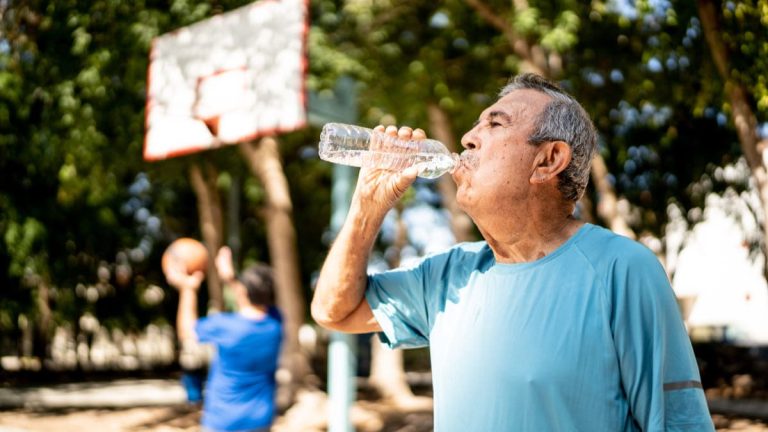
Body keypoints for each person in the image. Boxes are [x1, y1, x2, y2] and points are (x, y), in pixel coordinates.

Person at [311, 73, 714, 431]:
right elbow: (335, 311)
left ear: (548, 160)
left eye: (495, 123)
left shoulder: (622, 270)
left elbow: (680, 422)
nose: (469, 137)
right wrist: (367, 207)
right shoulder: (450, 274)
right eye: (477, 123)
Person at [165, 246, 283, 432]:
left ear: (244, 292)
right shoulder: (276, 323)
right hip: (261, 418)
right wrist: (230, 279)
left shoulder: (226, 326)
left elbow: (187, 331)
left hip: (225, 420)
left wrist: (188, 289)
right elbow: (253, 298)